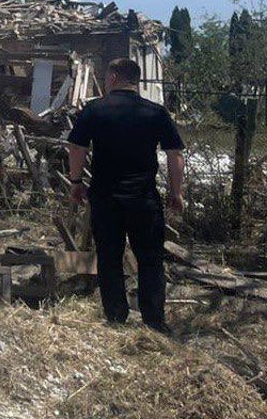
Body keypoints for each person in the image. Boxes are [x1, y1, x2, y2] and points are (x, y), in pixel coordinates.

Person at [66, 57, 185, 334]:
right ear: (137, 80)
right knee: (151, 258)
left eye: (107, 77)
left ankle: (116, 317)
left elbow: (76, 147)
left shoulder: (95, 110)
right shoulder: (154, 112)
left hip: (106, 198)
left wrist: (75, 181)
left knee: (109, 257)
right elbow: (175, 154)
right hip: (144, 199)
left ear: (114, 78)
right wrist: (176, 193)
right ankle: (154, 321)